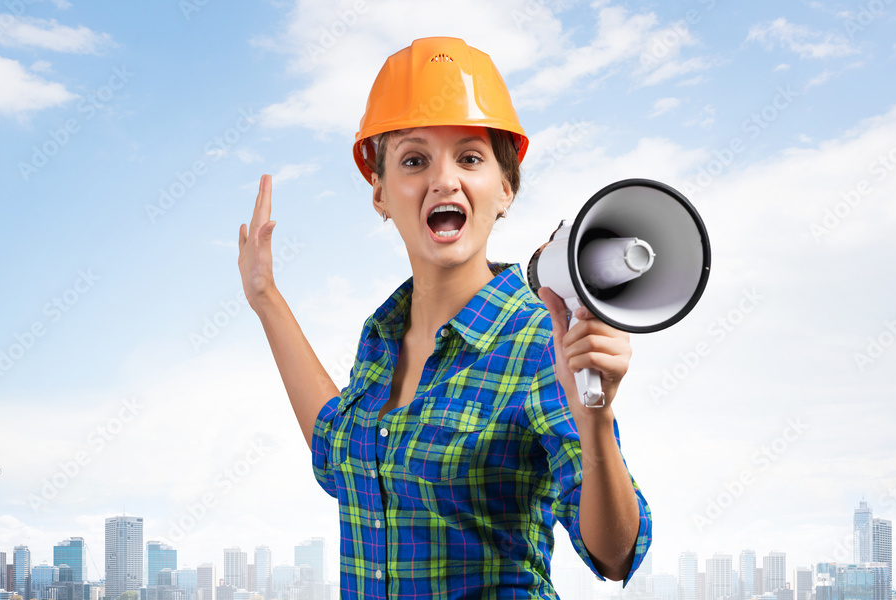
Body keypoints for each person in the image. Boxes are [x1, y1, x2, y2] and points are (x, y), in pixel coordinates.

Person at [238, 36, 651, 599]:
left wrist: (596, 423)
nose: (444, 180)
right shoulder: (382, 335)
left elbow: (614, 554)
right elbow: (340, 454)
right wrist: (266, 297)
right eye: (414, 160)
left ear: (504, 190)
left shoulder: (543, 338)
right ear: (380, 193)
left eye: (470, 157)